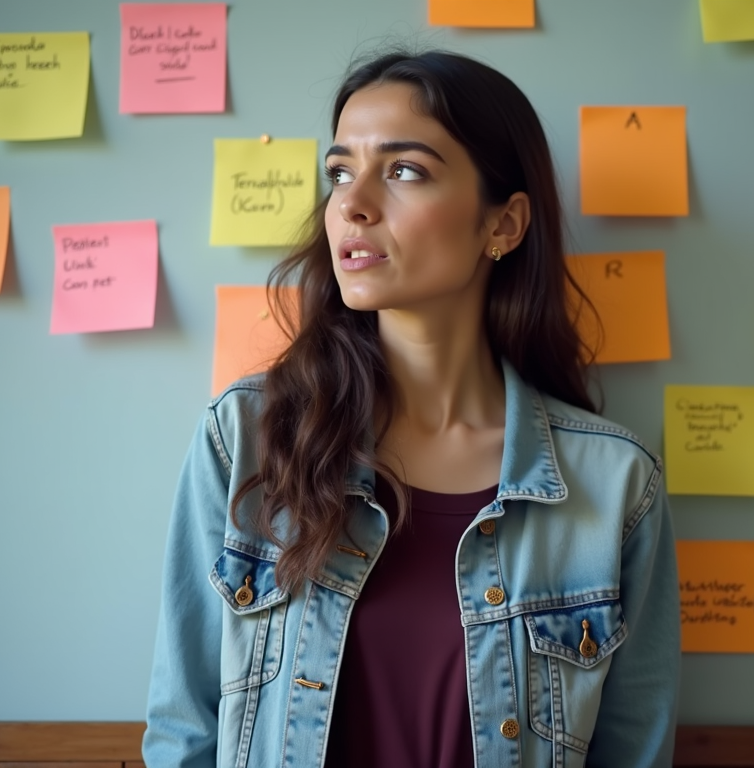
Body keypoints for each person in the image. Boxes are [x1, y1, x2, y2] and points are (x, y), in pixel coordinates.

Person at [142, 49, 680, 768]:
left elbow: (634, 752)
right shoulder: (245, 439)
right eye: (339, 172)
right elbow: (184, 733)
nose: (352, 204)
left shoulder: (616, 486)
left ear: (504, 225)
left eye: (403, 170)